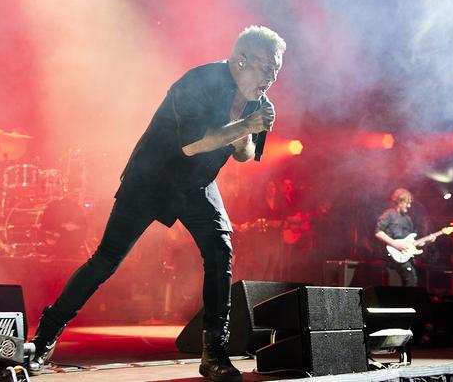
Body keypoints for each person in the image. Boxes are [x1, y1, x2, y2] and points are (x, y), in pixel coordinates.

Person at [28, 25, 286, 382]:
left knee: (219, 250)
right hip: (152, 179)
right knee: (106, 259)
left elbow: (244, 156)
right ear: (241, 61)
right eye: (267, 67)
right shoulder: (199, 81)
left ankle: (215, 351)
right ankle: (44, 337)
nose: (272, 77)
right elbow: (192, 145)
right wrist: (244, 125)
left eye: (277, 70)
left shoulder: (259, 103)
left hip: (196, 185)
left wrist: (248, 130)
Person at [374, 188, 418, 287]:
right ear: (400, 201)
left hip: (404, 255)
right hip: (391, 254)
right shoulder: (389, 214)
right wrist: (395, 244)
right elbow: (378, 232)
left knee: (411, 279)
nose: (409, 206)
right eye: (407, 203)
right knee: (410, 277)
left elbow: (411, 240)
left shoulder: (407, 218)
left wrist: (426, 241)